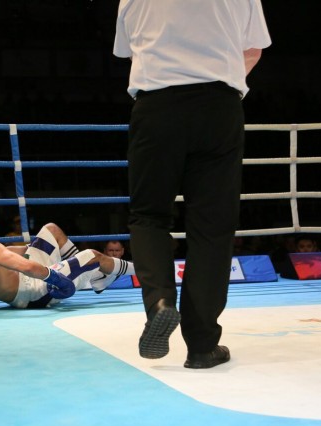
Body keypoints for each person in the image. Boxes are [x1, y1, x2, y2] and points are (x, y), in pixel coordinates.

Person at [114, 1, 271, 368]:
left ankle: (159, 302)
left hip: (157, 106)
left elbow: (130, 51)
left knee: (149, 216)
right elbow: (253, 50)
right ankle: (202, 346)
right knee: (212, 227)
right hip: (218, 106)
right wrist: (219, 74)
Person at [0, 201, 134, 308]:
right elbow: (27, 267)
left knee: (51, 229)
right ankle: (140, 270)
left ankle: (93, 276)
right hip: (35, 292)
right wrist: (57, 279)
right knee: (92, 256)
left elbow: (3, 256)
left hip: (21, 292)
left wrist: (32, 248)